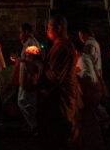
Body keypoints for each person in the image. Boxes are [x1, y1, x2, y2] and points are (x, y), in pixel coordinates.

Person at [37, 15, 80, 150]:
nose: (47, 31)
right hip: (59, 99)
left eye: (49, 28)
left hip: (60, 101)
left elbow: (54, 76)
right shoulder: (59, 46)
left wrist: (37, 65)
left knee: (60, 138)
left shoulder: (63, 48)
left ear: (59, 28)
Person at [76, 50, 105, 150]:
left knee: (90, 121)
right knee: (90, 119)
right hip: (92, 92)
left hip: (89, 93)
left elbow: (87, 76)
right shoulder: (84, 58)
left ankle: (94, 144)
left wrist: (76, 75)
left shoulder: (83, 60)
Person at [17, 23, 41, 134]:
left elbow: (32, 61)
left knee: (25, 102)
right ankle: (31, 125)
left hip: (28, 78)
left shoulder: (31, 44)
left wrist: (21, 60)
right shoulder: (29, 43)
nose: (20, 35)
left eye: (21, 32)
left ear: (26, 32)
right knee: (24, 101)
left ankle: (34, 126)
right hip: (26, 76)